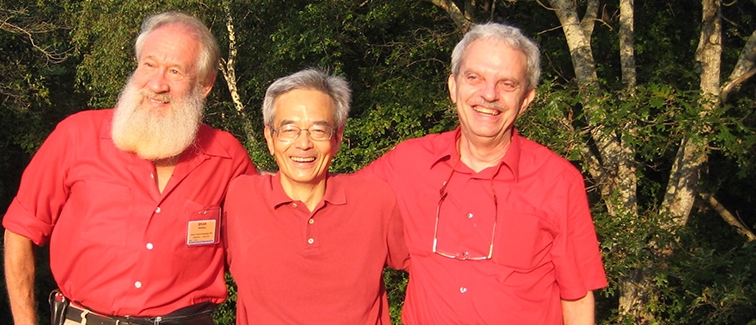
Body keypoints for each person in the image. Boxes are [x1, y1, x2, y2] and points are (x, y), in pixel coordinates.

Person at [2, 11, 256, 325]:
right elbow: (20, 230)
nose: (157, 83)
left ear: (204, 85)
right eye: (149, 65)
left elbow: (259, 252)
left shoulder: (227, 157)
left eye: (175, 71)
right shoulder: (76, 136)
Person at [358, 22, 608, 324]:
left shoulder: (558, 181)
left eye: (507, 84)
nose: (489, 94)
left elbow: (577, 297)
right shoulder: (407, 163)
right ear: (453, 87)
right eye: (474, 77)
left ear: (526, 100)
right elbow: (336, 207)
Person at [223, 68, 410, 324]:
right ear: (270, 138)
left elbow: (432, 266)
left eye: (318, 131)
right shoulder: (238, 199)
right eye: (289, 130)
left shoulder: (375, 201)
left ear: (337, 138)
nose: (303, 144)